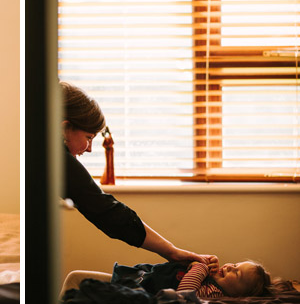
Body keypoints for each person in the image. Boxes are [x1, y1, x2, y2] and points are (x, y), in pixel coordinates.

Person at [60, 81, 216, 264]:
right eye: (89, 138)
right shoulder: (56, 158)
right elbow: (107, 212)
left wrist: (172, 252)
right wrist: (172, 252)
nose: (89, 149)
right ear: (65, 129)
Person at [61, 259, 272, 298]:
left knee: (77, 283)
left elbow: (184, 293)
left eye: (236, 273)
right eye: (235, 264)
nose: (230, 267)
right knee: (75, 277)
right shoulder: (211, 277)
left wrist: (199, 268)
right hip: (136, 279)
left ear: (239, 294)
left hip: (136, 292)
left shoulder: (214, 294)